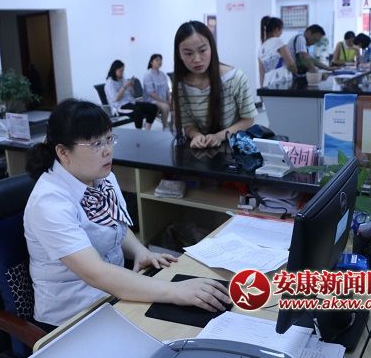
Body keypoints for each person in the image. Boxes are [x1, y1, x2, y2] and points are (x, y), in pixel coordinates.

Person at [24, 99, 230, 329]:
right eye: (96, 144)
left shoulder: (101, 177)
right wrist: (176, 291)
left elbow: (115, 224)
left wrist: (140, 251)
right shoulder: (49, 203)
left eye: (109, 139)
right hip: (73, 317)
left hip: (114, 296)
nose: (107, 150)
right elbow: (96, 274)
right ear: (63, 152)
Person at [171, 21, 257, 149]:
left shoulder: (235, 79)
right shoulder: (181, 86)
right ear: (179, 54)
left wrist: (219, 136)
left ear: (211, 47)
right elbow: (188, 124)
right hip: (201, 150)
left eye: (202, 50)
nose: (197, 59)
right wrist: (196, 135)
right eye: (188, 53)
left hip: (234, 148)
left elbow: (248, 119)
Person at [105, 60, 158, 130]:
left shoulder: (123, 79)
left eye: (123, 70)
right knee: (138, 111)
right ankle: (139, 133)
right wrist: (124, 87)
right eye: (120, 71)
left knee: (153, 107)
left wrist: (131, 87)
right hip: (119, 107)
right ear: (114, 70)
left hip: (131, 103)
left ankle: (147, 130)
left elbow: (133, 95)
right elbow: (116, 99)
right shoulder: (110, 83)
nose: (122, 73)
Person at [258, 16, 297, 87]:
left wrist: (262, 89)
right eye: (281, 30)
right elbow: (291, 65)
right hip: (281, 83)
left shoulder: (261, 48)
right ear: (276, 29)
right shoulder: (278, 41)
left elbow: (261, 74)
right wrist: (296, 69)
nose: (281, 33)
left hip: (268, 85)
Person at [142, 54, 171, 130]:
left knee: (174, 106)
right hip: (151, 100)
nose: (159, 62)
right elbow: (151, 93)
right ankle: (165, 127)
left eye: (160, 60)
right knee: (165, 107)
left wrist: (169, 99)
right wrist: (165, 101)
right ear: (151, 62)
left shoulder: (162, 74)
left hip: (162, 100)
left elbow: (167, 89)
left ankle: (173, 126)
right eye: (157, 60)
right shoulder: (148, 75)